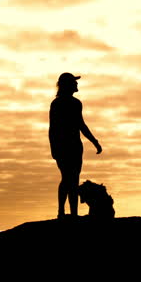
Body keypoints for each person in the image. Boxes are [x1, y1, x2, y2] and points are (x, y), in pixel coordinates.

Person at [49, 72, 102, 218]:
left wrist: (94, 141)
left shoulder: (76, 103)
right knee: (67, 178)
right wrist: (54, 148)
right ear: (68, 85)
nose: (77, 84)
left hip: (75, 147)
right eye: (74, 82)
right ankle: (61, 212)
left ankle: (73, 213)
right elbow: (53, 128)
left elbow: (81, 125)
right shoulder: (56, 104)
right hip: (63, 147)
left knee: (74, 179)